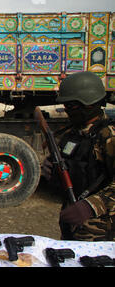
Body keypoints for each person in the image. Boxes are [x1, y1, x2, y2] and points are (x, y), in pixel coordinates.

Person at [42, 71, 114, 241]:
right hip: (73, 227)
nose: (67, 111)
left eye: (71, 106)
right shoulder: (73, 133)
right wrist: (52, 171)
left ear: (88, 105)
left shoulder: (108, 136)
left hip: (102, 232)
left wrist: (92, 205)